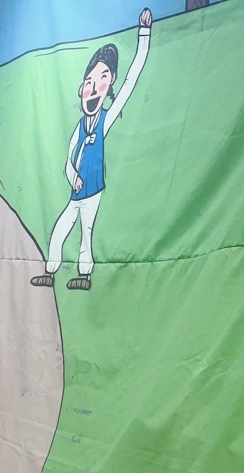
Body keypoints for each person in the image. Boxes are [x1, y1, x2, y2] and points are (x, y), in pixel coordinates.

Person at [31, 8, 152, 292]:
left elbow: (131, 81)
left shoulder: (105, 120)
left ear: (110, 85)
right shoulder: (80, 127)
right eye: (89, 82)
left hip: (94, 192)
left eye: (102, 79)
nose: (94, 88)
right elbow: (68, 160)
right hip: (76, 193)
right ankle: (50, 271)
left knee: (86, 231)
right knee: (61, 228)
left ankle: (84, 275)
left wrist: (144, 35)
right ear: (80, 89)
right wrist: (73, 176)